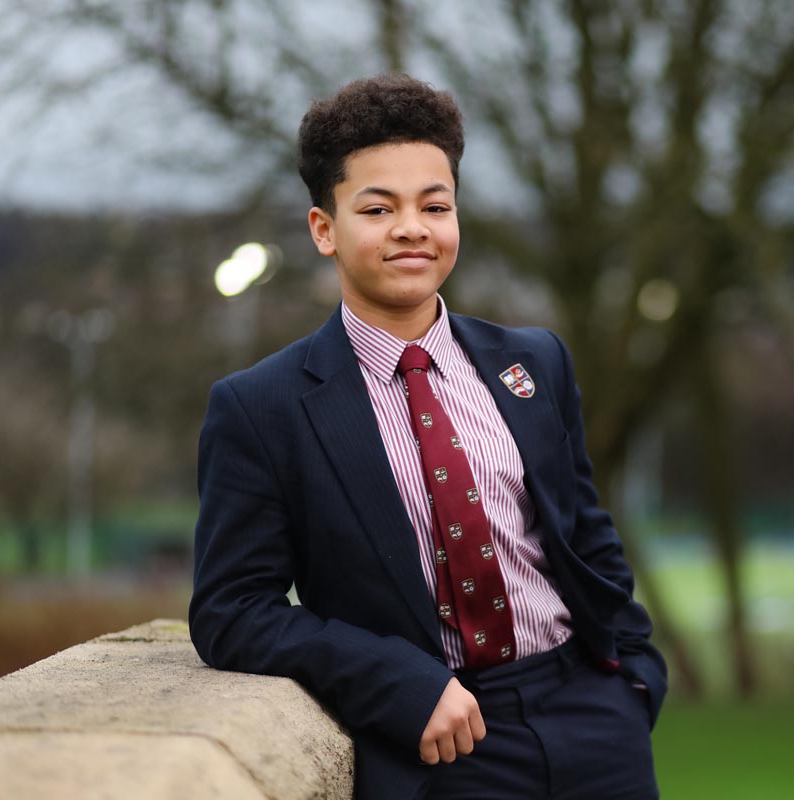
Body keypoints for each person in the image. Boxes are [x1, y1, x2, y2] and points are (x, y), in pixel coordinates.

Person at [189, 73, 666, 800]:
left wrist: (633, 677)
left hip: (593, 720)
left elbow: (583, 534)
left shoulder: (533, 361)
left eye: (434, 205)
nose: (412, 226)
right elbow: (232, 611)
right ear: (325, 229)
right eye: (378, 208)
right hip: (438, 748)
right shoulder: (262, 407)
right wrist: (392, 678)